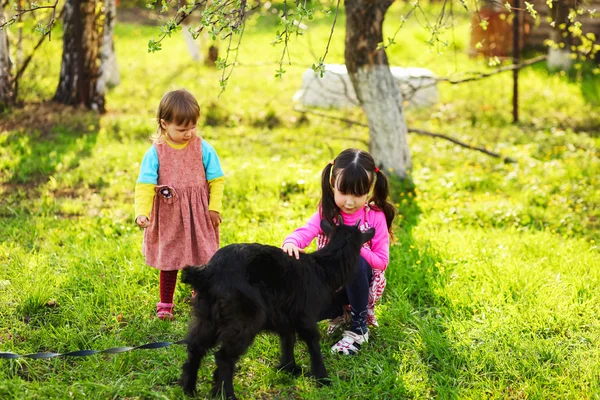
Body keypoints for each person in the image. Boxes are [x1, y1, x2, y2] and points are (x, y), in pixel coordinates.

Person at [282, 148, 395, 355]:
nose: (349, 202)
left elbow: (381, 261)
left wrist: (356, 248)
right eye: (343, 192)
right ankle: (339, 312)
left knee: (355, 263)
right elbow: (306, 232)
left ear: (369, 190)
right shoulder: (328, 212)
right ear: (333, 184)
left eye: (358, 194)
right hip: (330, 284)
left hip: (360, 280)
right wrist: (291, 242)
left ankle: (359, 328)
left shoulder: (374, 217)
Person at [134, 89, 225, 320]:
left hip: (198, 214)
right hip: (169, 215)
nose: (188, 134)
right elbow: (145, 183)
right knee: (170, 259)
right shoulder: (156, 152)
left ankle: (200, 294)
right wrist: (142, 212)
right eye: (182, 129)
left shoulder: (203, 148)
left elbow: (216, 179)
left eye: (192, 127)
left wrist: (214, 207)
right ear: (164, 124)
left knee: (201, 255)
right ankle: (165, 303)